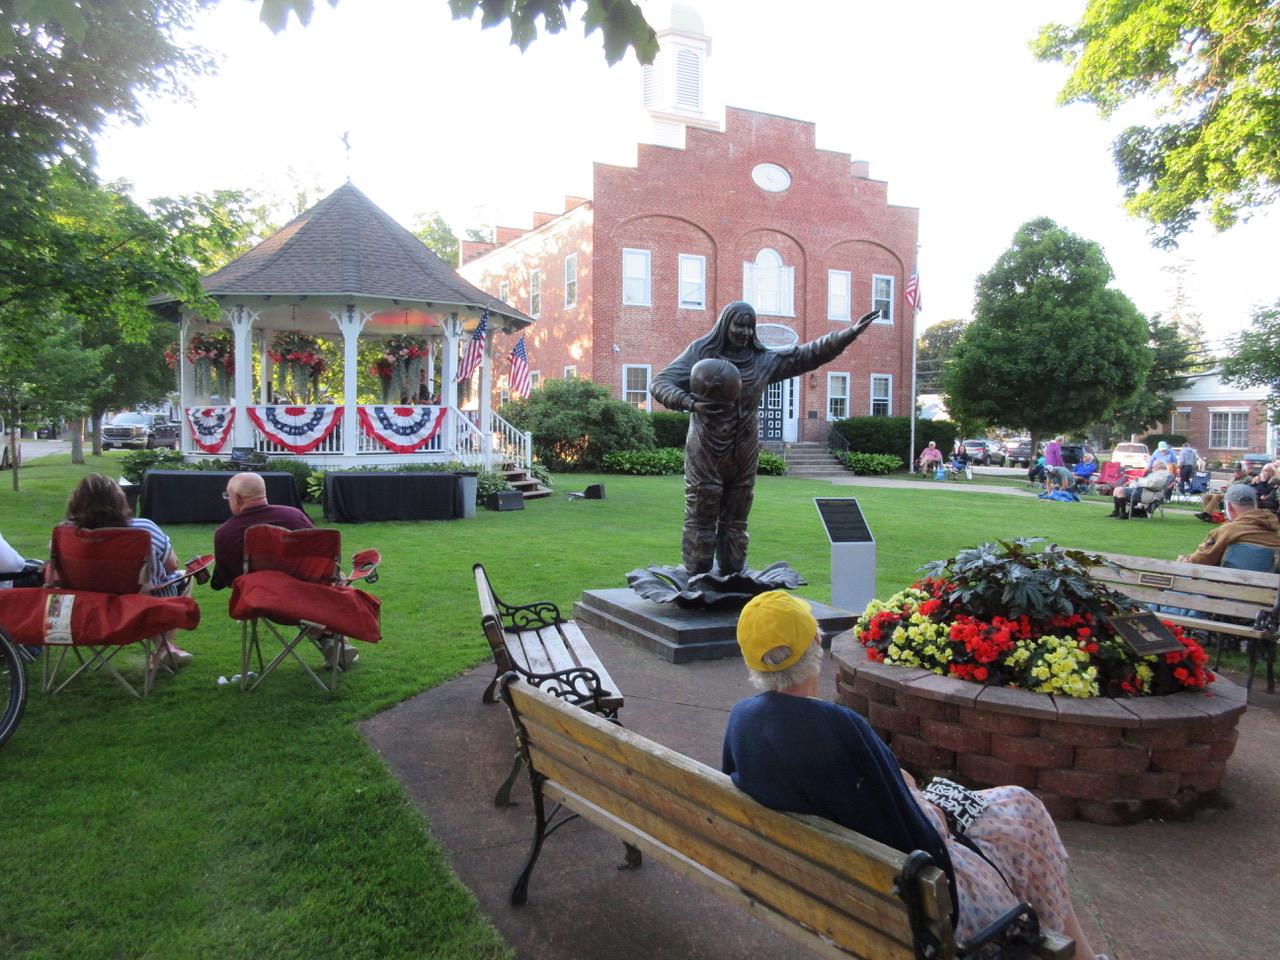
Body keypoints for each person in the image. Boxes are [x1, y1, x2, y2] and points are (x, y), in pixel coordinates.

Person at [721, 591, 1102, 958]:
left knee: (1014, 807)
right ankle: (1074, 953)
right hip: (921, 909)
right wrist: (920, 801)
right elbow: (924, 839)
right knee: (1025, 809)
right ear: (816, 643)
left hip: (831, 896)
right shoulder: (837, 728)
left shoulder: (743, 721)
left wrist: (898, 785)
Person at [649, 301, 878, 577]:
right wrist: (688, 401)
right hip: (707, 449)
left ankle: (732, 574)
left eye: (749, 326)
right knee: (702, 511)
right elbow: (660, 383)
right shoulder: (702, 352)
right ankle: (696, 576)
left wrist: (849, 333)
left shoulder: (762, 360)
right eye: (739, 325)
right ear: (725, 324)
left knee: (737, 517)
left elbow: (808, 355)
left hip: (744, 450)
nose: (744, 331)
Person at [63, 474, 193, 668]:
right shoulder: (143, 528)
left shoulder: (65, 532)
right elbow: (172, 565)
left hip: (82, 604)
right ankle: (163, 648)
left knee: (153, 583)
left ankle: (164, 649)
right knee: (183, 576)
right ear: (118, 499)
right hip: (139, 603)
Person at [211, 472, 314, 589]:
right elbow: (317, 554)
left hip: (257, 598)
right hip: (304, 594)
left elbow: (229, 580)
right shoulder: (295, 516)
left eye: (228, 495)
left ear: (236, 498)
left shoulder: (226, 533)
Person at [1180, 485, 1280, 566]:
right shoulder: (1274, 533)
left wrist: (1183, 560)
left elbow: (1199, 561)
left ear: (1228, 506)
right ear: (1255, 505)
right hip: (1264, 589)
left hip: (1225, 587)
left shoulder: (1227, 532)